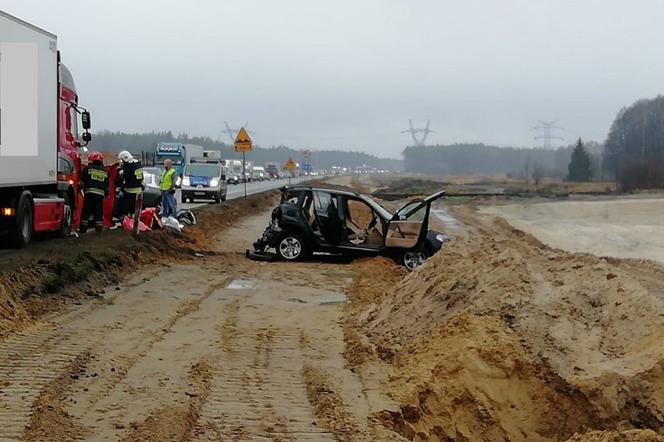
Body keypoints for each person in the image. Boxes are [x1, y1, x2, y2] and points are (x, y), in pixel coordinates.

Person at [79, 152, 109, 233]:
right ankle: (99, 228)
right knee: (98, 212)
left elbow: (82, 182)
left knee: (86, 211)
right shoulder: (105, 172)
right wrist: (106, 194)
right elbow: (107, 186)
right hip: (100, 196)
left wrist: (79, 188)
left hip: (89, 194)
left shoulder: (87, 169)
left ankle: (83, 229)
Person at [116, 150, 144, 217]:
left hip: (130, 192)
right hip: (139, 191)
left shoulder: (128, 167)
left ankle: (128, 221)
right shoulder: (138, 165)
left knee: (129, 209)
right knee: (136, 210)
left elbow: (123, 178)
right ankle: (134, 222)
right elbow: (141, 178)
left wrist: (119, 172)